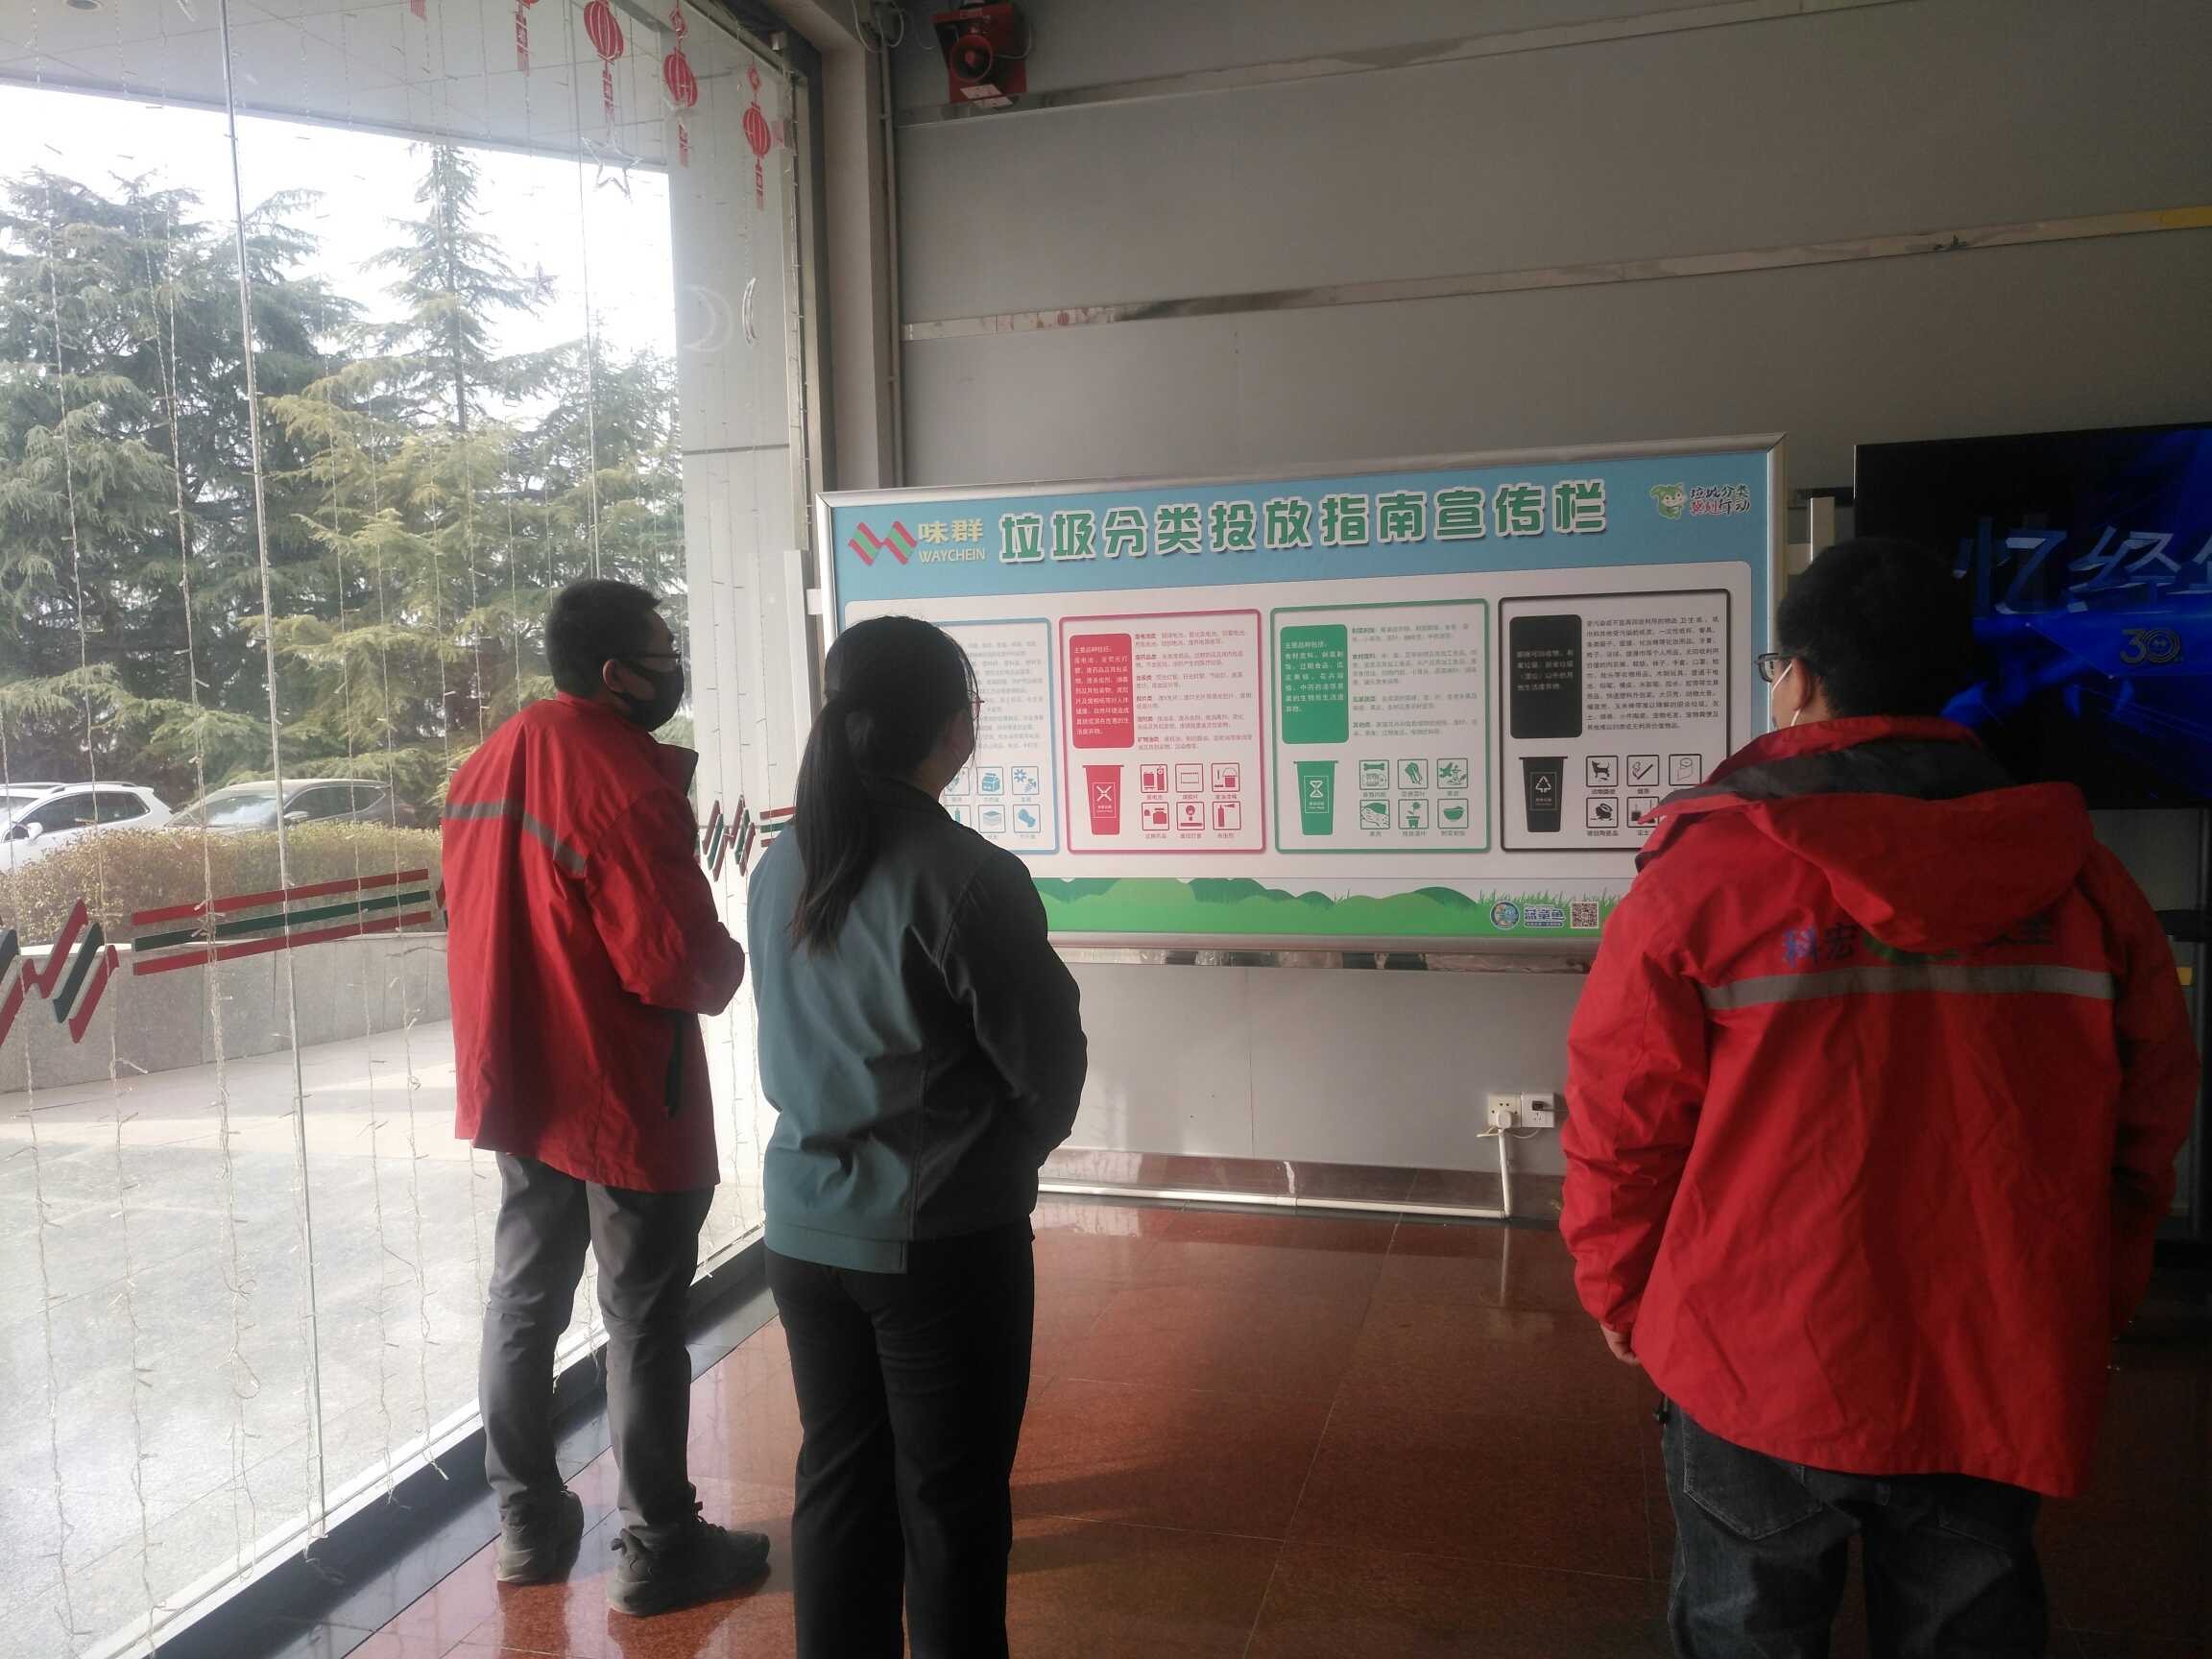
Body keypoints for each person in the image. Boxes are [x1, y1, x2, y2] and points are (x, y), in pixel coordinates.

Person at [1561, 538, 2199, 1658]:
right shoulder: (2085, 878)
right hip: (1997, 1345)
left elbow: (1624, 1124)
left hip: (1754, 1348)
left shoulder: (1701, 879)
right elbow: (2149, 1118)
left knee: (1748, 1626)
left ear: (1800, 678)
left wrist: (1619, 1291)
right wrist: (2091, 1290)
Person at [746, 614, 1088, 1659]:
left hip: (803, 1232)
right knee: (951, 1505)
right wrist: (999, 1160)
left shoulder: (782, 863)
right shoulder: (967, 874)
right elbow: (1047, 1068)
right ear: (953, 728)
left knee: (838, 1486)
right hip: (938, 1241)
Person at [444, 578, 769, 1617]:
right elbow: (677, 965)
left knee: (522, 1300)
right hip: (620, 1094)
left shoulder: (486, 765)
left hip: (518, 1082)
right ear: (618, 673)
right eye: (664, 653)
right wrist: (733, 960)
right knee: (640, 1319)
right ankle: (660, 1544)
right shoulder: (623, 782)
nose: (675, 670)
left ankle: (526, 1526)